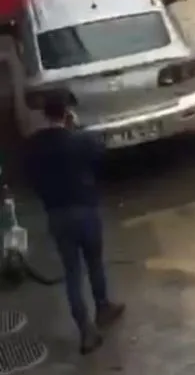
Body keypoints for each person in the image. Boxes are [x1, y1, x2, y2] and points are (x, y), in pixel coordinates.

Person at [22, 93, 123, 353]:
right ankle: (103, 307)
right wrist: (77, 129)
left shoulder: (33, 147)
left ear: (45, 115)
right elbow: (101, 157)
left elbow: (30, 179)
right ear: (67, 113)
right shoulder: (79, 140)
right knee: (94, 262)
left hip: (57, 215)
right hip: (85, 211)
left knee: (72, 273)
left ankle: (86, 331)